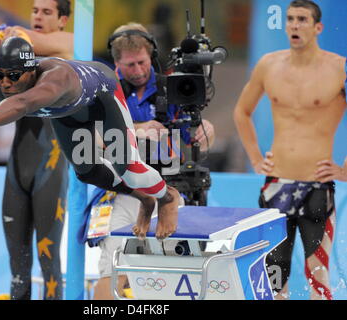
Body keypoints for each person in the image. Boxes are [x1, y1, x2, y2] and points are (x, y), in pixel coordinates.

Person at [0, 36, 181, 247]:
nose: (5, 83)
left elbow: (21, 105)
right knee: (88, 173)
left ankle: (167, 196)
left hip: (102, 100)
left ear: (31, 72)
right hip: (67, 113)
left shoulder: (55, 77)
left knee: (128, 170)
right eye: (1, 75)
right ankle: (144, 198)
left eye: (14, 76)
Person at [233, 0, 347, 300]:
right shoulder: (269, 64)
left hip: (317, 187)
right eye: (290, 19)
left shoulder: (339, 68)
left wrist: (345, 167)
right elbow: (242, 112)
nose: (294, 25)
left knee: (319, 280)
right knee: (272, 278)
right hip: (276, 185)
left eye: (302, 19)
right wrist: (256, 159)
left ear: (317, 27)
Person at [92, 23, 215, 300]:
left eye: (141, 62)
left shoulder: (172, 88)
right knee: (112, 268)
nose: (136, 70)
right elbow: (93, 137)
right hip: (120, 191)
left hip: (167, 191)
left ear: (151, 56)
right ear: (116, 64)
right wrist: (137, 129)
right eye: (129, 65)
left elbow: (193, 134)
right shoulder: (104, 91)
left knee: (172, 267)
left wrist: (205, 130)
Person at [0, 0, 73, 300]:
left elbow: (24, 37)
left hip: (50, 169)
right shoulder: (20, 52)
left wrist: (14, 34)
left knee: (48, 265)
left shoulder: (70, 45)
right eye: (35, 10)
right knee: (17, 269)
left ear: (63, 20)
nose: (38, 16)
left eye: (47, 12)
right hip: (17, 166)